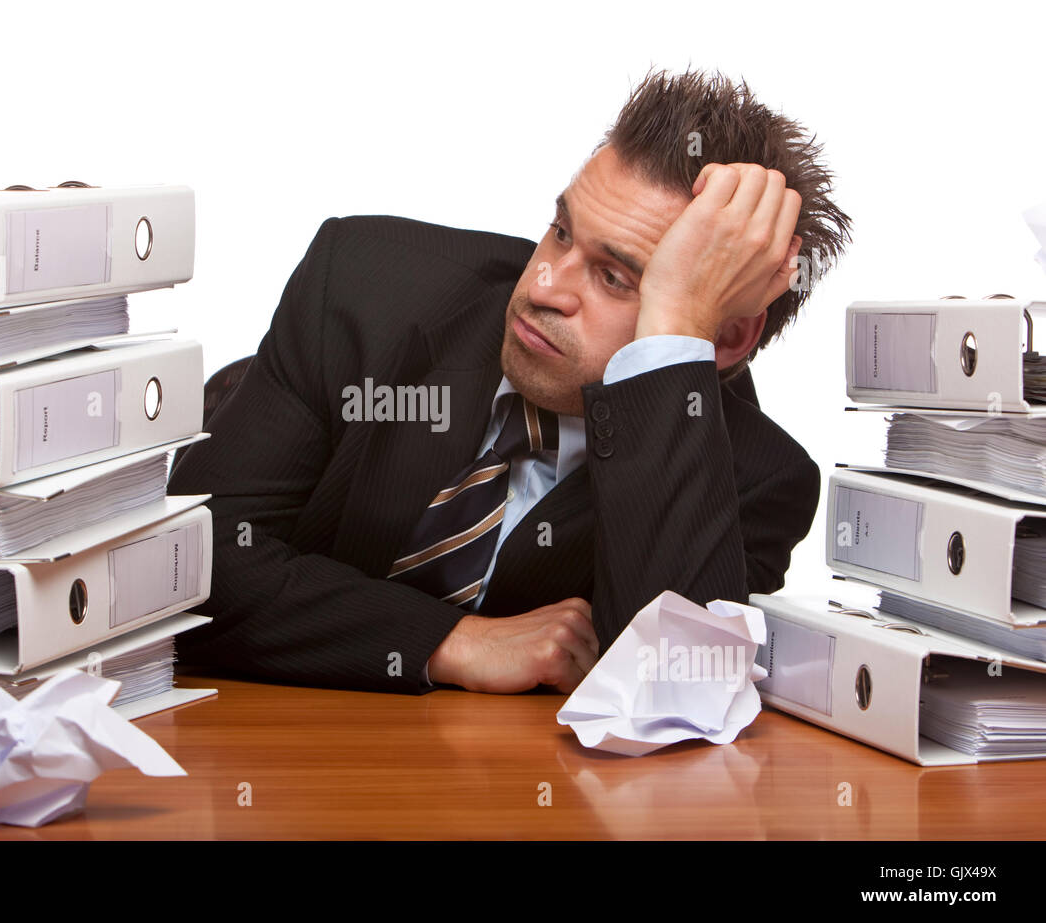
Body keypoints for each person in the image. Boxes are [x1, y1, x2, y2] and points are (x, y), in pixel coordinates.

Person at [168, 68, 851, 695]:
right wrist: (447, 642)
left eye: (616, 277)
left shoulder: (758, 482)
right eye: (560, 232)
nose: (546, 286)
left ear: (722, 334)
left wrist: (673, 344)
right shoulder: (364, 289)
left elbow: (679, 695)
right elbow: (190, 566)